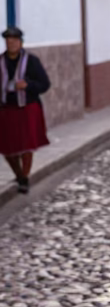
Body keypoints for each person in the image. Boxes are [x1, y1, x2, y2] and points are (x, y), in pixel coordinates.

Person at [0, 26, 50, 193]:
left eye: (14, 40)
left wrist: (28, 85)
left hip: (28, 108)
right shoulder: (0, 62)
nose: (11, 43)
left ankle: (24, 177)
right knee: (7, 147)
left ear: (20, 42)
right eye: (8, 40)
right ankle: (19, 174)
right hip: (7, 109)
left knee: (26, 146)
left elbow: (44, 84)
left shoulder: (31, 61)